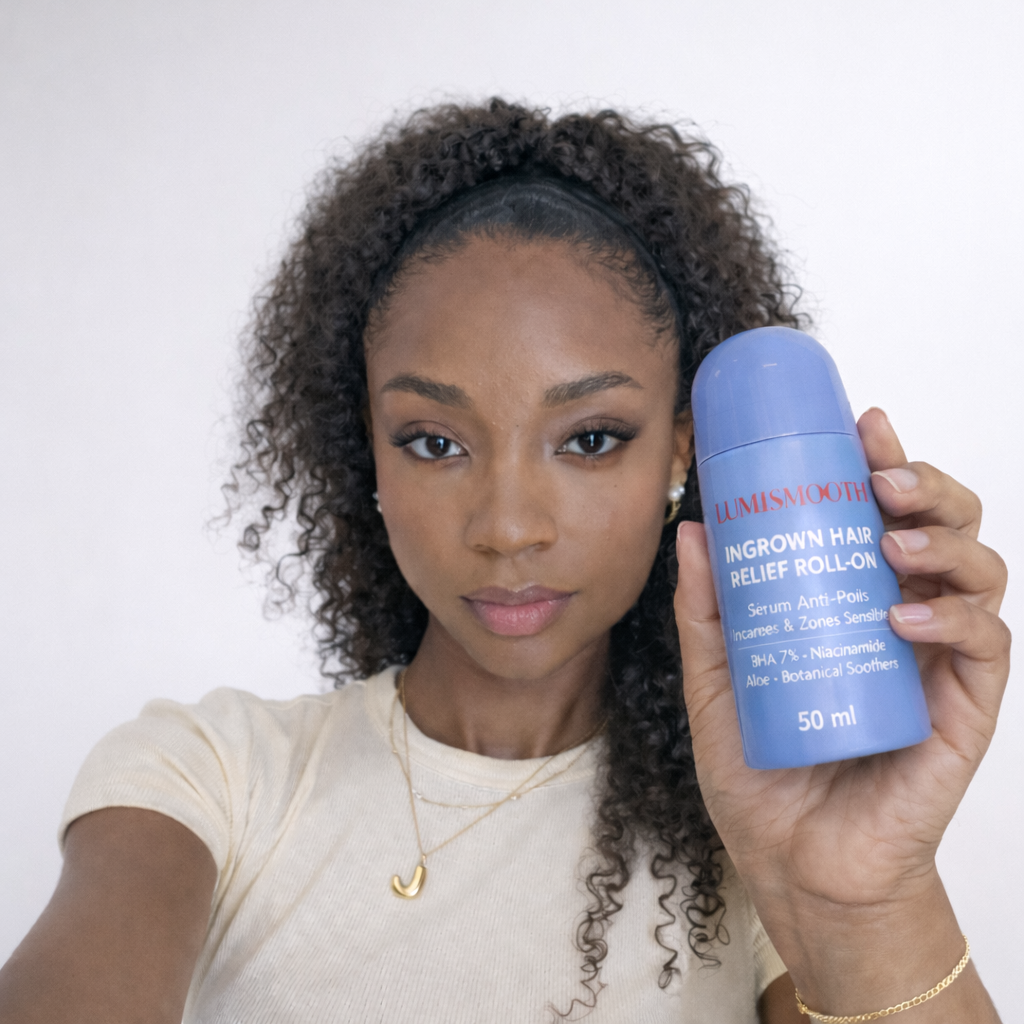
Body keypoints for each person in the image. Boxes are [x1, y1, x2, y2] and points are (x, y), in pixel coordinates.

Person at [0, 99, 1009, 1024]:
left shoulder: (756, 842)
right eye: (435, 441)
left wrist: (867, 901)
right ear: (366, 451)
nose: (508, 527)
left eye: (591, 438)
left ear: (681, 452)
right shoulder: (209, 777)